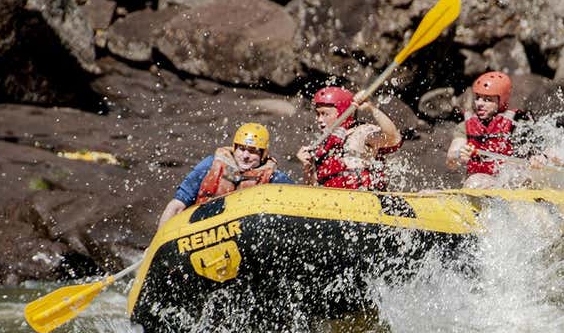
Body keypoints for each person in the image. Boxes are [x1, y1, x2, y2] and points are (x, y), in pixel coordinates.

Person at [158, 123, 293, 228]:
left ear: (263, 154)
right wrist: (157, 243)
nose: (245, 156)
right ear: (234, 148)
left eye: (252, 151)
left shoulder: (275, 178)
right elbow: (176, 206)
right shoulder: (210, 165)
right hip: (200, 229)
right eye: (241, 149)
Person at [445, 71, 543, 188]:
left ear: (501, 101)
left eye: (487, 100)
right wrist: (458, 154)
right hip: (478, 183)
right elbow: (452, 159)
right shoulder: (464, 125)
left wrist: (539, 158)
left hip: (510, 184)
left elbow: (542, 151)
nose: (479, 104)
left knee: (525, 179)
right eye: (478, 98)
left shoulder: (517, 124)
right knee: (474, 182)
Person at [295, 86, 402, 190]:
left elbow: (392, 137)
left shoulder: (361, 133)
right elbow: (313, 191)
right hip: (334, 203)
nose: (319, 119)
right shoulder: (321, 148)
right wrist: (307, 167)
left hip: (365, 200)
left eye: (325, 114)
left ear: (342, 112)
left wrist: (371, 108)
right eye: (318, 114)